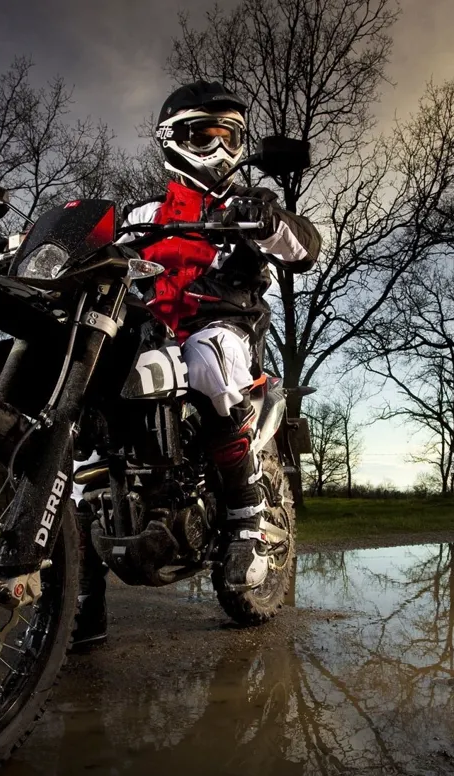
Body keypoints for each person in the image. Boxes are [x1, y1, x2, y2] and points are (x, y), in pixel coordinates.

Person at [72, 81, 321, 646]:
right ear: (171, 140)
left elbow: (304, 249)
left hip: (223, 328)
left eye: (226, 135)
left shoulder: (246, 205)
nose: (215, 146)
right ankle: (79, 602)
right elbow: (90, 248)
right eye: (200, 134)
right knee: (82, 427)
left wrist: (271, 219)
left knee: (206, 355)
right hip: (147, 336)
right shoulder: (140, 213)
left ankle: (246, 519)